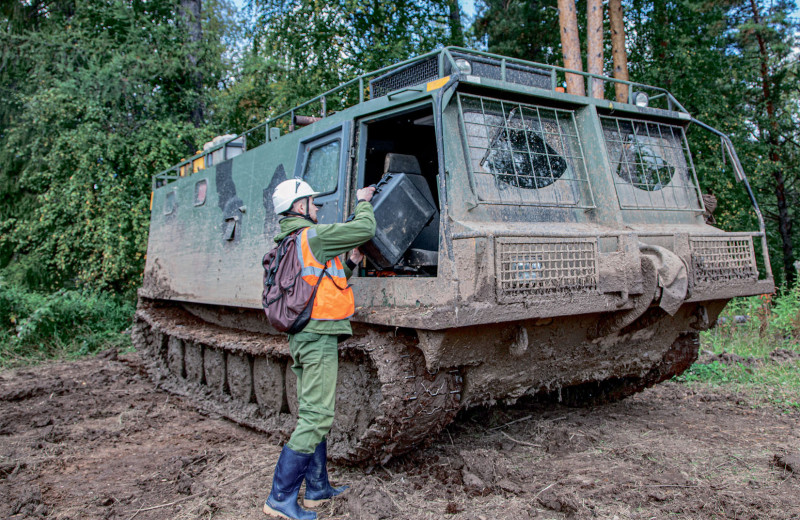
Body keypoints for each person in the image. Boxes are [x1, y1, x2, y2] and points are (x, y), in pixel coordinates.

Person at [263, 178, 376, 520]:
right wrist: (363, 200)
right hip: (317, 335)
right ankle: (279, 499)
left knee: (314, 411)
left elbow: (325, 282)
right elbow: (365, 226)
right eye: (313, 202)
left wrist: (352, 261)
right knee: (317, 416)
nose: (317, 207)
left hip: (304, 334)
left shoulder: (291, 242)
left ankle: (317, 489)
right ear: (300, 207)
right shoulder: (313, 236)